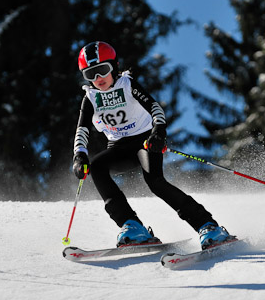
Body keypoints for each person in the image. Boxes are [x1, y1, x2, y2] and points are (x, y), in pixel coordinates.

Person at [72, 41, 232, 248]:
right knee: (97, 167)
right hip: (118, 148)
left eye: (102, 70)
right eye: (90, 74)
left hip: (144, 143)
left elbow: (155, 107)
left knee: (155, 182)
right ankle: (131, 226)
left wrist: (158, 132)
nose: (98, 78)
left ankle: (208, 226)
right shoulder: (90, 98)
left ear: (115, 66)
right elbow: (82, 129)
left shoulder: (127, 85)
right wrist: (79, 155)